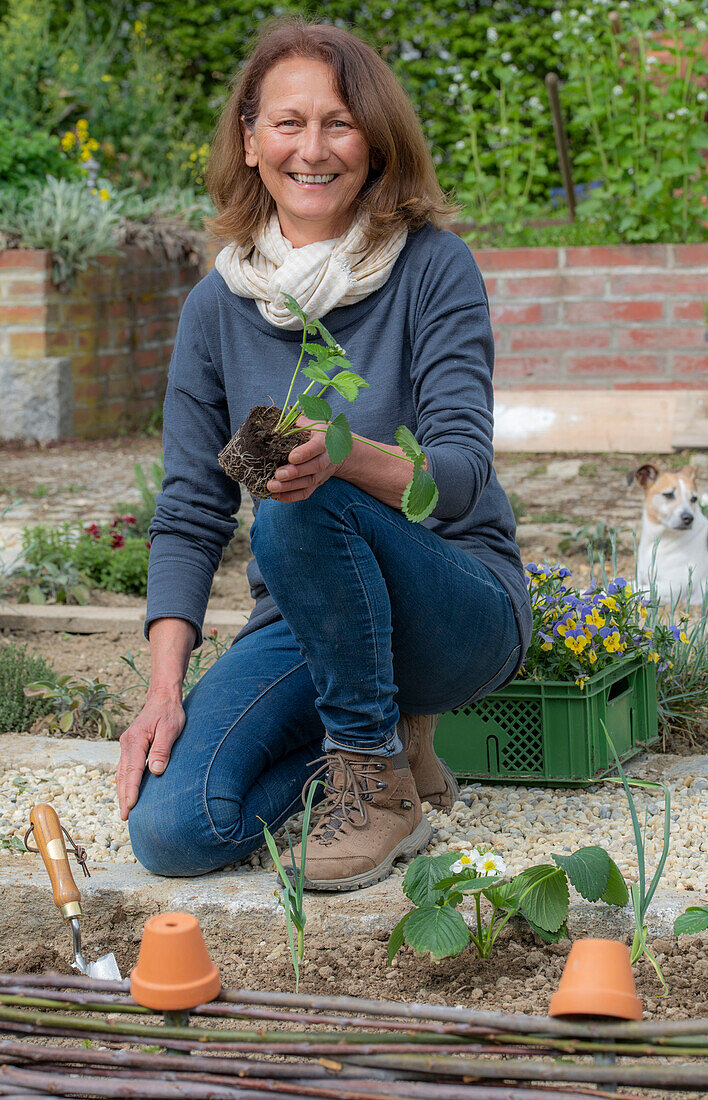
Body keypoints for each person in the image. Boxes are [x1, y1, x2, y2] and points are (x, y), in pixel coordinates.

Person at [118, 16, 532, 891]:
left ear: (375, 142)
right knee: (174, 832)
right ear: (250, 139)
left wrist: (338, 455)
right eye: (288, 122)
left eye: (339, 122)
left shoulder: (433, 268)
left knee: (300, 500)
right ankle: (383, 751)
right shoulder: (214, 309)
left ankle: (375, 789)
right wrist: (163, 691)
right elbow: (191, 510)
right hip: (309, 622)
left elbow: (457, 477)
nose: (314, 148)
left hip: (453, 605)